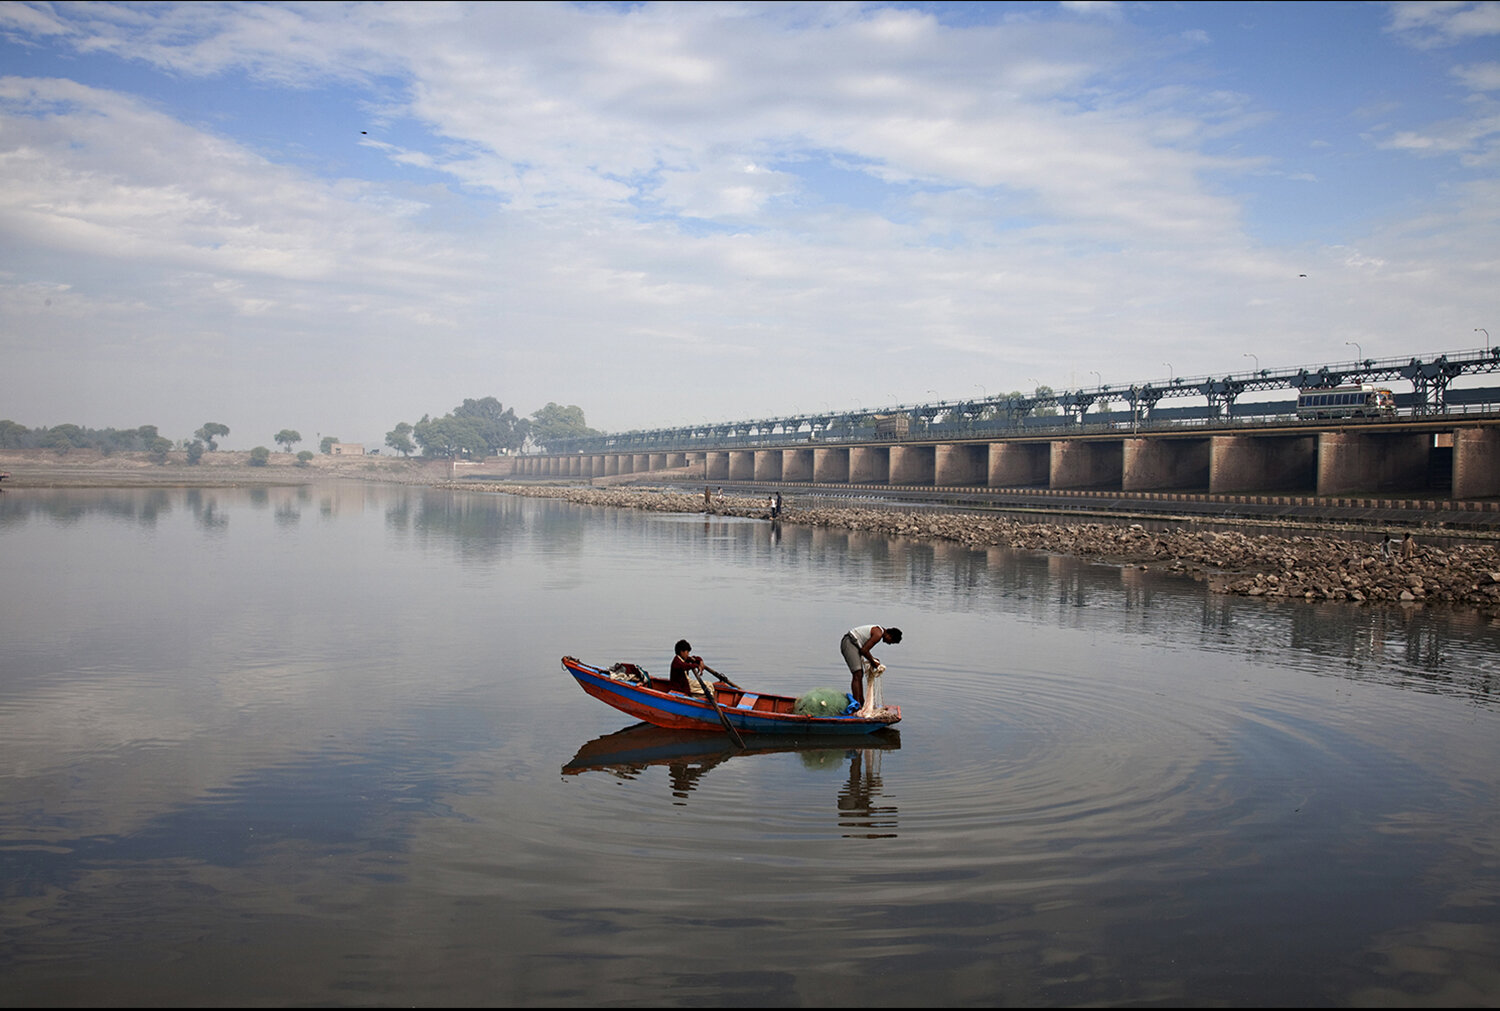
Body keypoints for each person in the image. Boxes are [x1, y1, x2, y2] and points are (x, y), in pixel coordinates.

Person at [841, 624, 902, 707]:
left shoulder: (879, 632)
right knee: (857, 674)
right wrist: (873, 662)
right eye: (891, 641)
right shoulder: (878, 634)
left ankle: (861, 702)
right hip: (849, 642)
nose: (889, 643)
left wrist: (873, 659)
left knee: (859, 674)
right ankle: (856, 705)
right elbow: (864, 650)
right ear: (889, 635)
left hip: (854, 645)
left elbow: (865, 650)